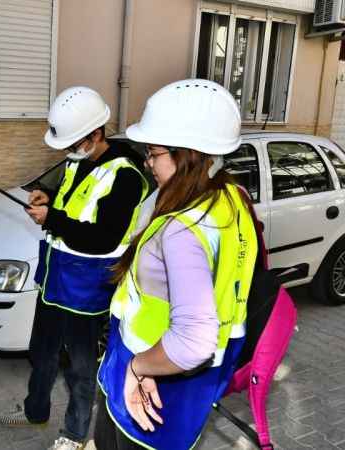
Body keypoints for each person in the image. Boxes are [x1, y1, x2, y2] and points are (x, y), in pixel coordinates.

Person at [94, 79, 258, 450]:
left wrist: (139, 368)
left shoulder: (182, 231)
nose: (148, 162)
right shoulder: (232, 197)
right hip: (191, 387)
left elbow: (193, 342)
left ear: (189, 153)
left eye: (154, 153)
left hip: (152, 379)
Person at [0, 87, 149, 450]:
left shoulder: (125, 177)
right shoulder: (77, 161)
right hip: (53, 280)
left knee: (81, 367)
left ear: (96, 134)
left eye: (74, 141)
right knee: (42, 351)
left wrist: (52, 219)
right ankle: (36, 409)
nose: (66, 149)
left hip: (85, 289)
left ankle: (75, 434)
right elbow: (72, 205)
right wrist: (47, 200)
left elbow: (103, 238)